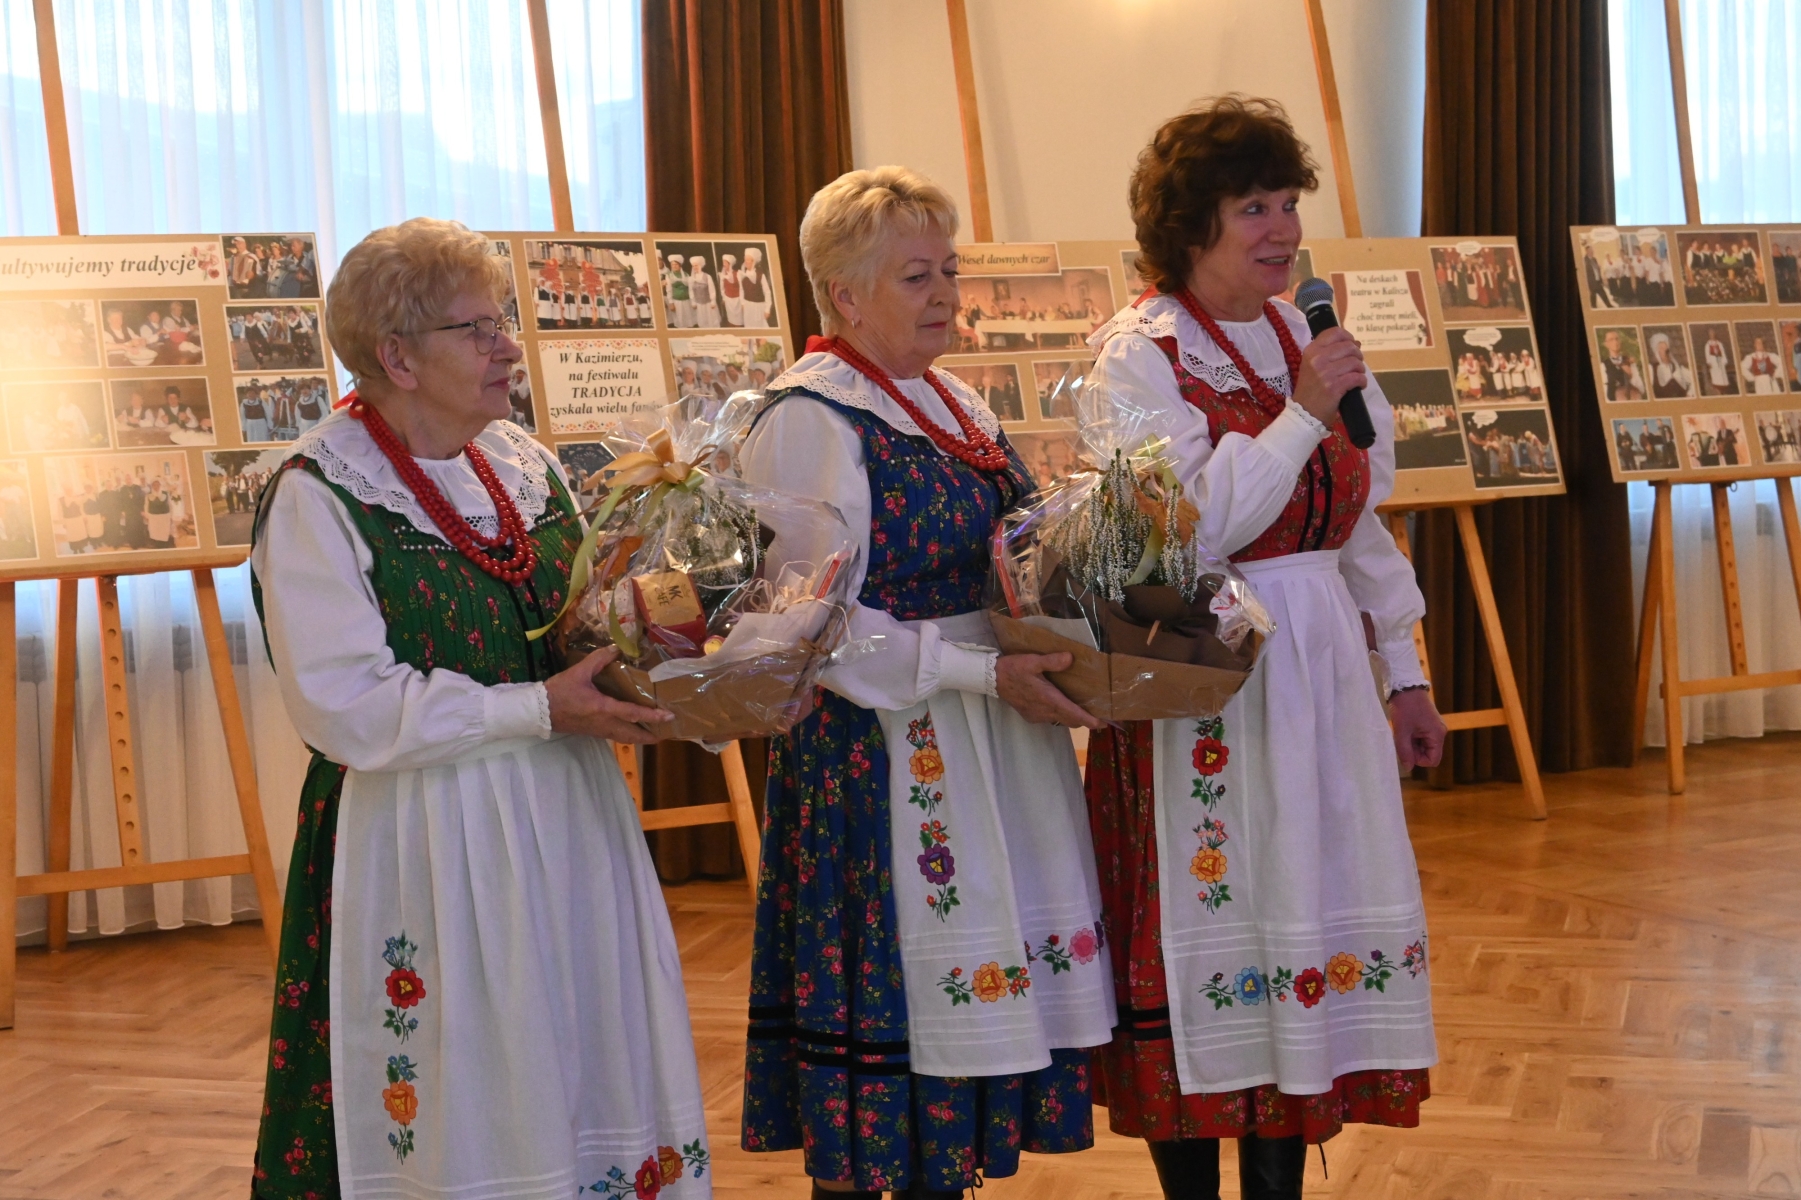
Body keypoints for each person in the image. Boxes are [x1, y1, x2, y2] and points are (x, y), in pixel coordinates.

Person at [248, 217, 712, 1199]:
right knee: (462, 1089)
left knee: (579, 1052)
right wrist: (535, 710)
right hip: (422, 839)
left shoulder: (520, 462)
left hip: (569, 814)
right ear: (397, 358)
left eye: (502, 322)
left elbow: (581, 618)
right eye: (478, 329)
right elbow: (343, 707)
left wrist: (679, 648)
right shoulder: (318, 493)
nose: (507, 348)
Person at [1082, 98, 1445, 1200]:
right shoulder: (1136, 358)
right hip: (1209, 679)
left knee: (1302, 924)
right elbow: (1186, 532)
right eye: (1253, 208)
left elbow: (1357, 521)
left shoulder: (1301, 337)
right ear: (1188, 224)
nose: (1282, 228)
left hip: (1320, 670)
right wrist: (1299, 414)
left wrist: (1405, 673)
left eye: (1288, 204)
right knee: (1219, 931)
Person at [739, 167, 1115, 1199]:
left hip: (991, 730)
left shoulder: (949, 400)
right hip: (886, 751)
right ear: (845, 294)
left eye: (949, 269)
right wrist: (980, 673)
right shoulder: (809, 418)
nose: (947, 292)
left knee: (970, 1039)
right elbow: (807, 626)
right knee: (897, 1049)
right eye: (917, 276)